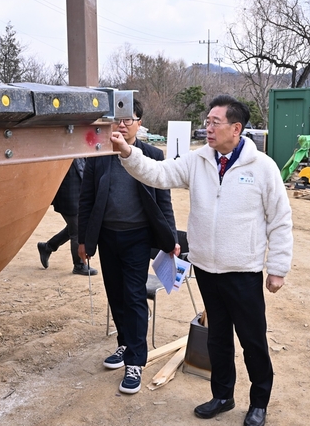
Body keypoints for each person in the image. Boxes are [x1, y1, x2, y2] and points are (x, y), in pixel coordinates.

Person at [110, 94, 293, 426]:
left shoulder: (262, 167)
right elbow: (158, 173)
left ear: (236, 129)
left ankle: (258, 402)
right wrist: (128, 153)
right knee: (218, 337)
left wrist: (277, 268)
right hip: (207, 268)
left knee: (253, 339)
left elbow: (280, 219)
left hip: (244, 272)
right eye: (206, 122)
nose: (207, 128)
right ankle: (222, 395)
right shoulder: (198, 161)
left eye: (214, 122)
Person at [77, 99, 179, 395]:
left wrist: (170, 237)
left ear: (139, 123)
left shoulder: (152, 154)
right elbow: (86, 200)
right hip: (107, 236)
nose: (122, 125)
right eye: (117, 120)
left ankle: (136, 360)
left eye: (128, 120)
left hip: (137, 238)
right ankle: (125, 343)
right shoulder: (100, 155)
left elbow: (163, 201)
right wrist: (83, 239)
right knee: (116, 294)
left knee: (134, 296)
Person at [37, 158, 97, 276]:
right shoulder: (63, 151)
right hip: (68, 195)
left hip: (79, 194)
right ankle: (79, 265)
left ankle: (48, 247)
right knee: (77, 230)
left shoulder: (79, 149)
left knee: (74, 227)